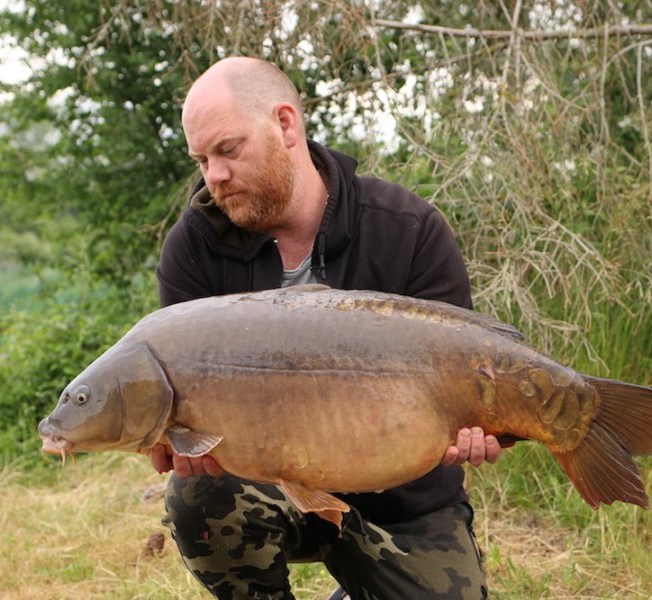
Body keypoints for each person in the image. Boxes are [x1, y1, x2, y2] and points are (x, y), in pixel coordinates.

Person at [148, 56, 503, 600]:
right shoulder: (192, 251)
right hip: (268, 491)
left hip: (403, 497)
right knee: (198, 498)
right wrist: (180, 442)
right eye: (201, 159)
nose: (213, 176)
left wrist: (478, 426)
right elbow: (186, 417)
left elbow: (466, 379)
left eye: (228, 150)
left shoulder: (407, 230)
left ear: (286, 125)